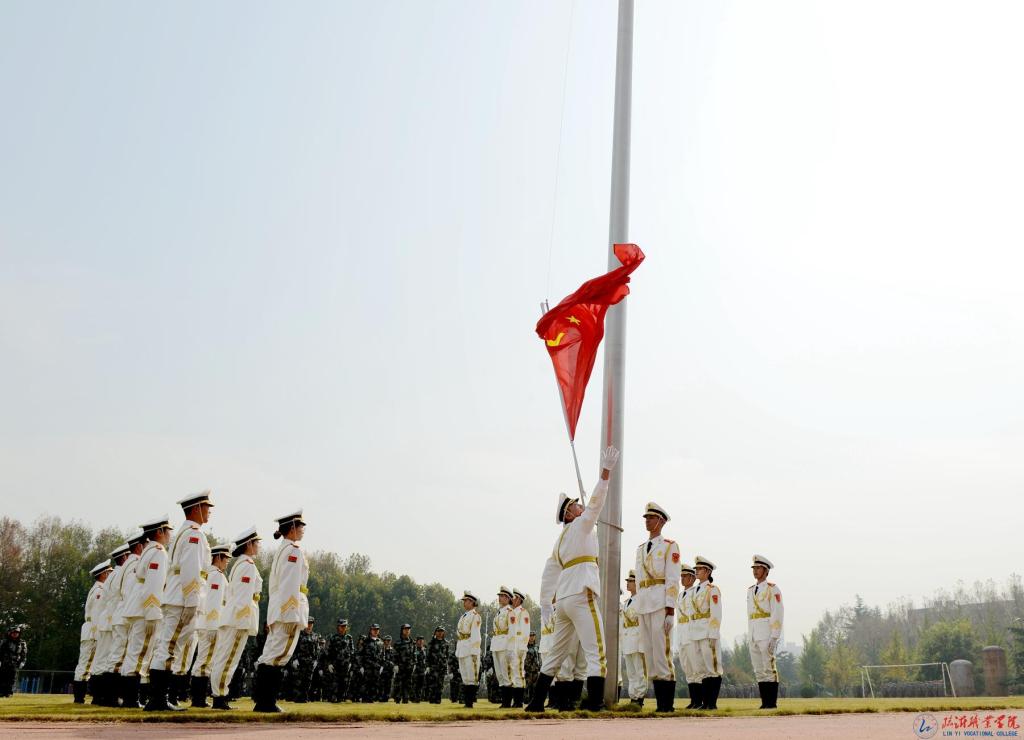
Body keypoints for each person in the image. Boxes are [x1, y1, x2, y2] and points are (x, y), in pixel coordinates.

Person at [525, 445, 620, 713]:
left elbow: (549, 574)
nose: (580, 506)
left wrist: (546, 605)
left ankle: (536, 702)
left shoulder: (560, 540)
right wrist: (605, 474)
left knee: (555, 655)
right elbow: (596, 504)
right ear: (569, 514)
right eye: (576, 505)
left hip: (564, 600)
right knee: (596, 651)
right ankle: (596, 702)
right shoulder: (580, 525)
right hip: (581, 592)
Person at [148, 491, 214, 711]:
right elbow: (191, 569)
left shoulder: (186, 533)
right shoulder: (194, 534)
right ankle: (158, 699)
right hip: (182, 599)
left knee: (169, 647)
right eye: (206, 507)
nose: (209, 511)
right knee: (168, 648)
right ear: (196, 509)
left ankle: (159, 698)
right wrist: (192, 601)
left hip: (179, 597)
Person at [253, 509, 308, 712]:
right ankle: (266, 702)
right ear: (292, 528)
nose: (302, 530)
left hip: (279, 610)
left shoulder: (283, 550)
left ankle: (262, 700)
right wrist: (291, 613)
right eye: (300, 526)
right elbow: (290, 584)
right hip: (287, 611)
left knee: (271, 654)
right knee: (278, 656)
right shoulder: (293, 550)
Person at [633, 501, 681, 712]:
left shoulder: (670, 546)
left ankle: (666, 705)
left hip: (660, 603)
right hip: (644, 603)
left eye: (651, 518)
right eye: (646, 518)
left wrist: (670, 609)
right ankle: (660, 703)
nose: (647, 521)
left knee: (662, 653)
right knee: (650, 654)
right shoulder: (640, 549)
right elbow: (639, 580)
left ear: (661, 521)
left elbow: (672, 578)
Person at [209, 526, 262, 710]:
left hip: (232, 617)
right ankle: (219, 697)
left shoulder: (242, 564)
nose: (258, 546)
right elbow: (243, 596)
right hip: (237, 620)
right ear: (249, 544)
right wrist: (243, 621)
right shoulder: (247, 565)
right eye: (256, 543)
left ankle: (220, 695)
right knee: (228, 659)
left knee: (225, 658)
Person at [121, 519, 171, 709]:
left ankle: (131, 699)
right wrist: (152, 612)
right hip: (145, 609)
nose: (170, 534)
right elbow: (154, 584)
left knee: (134, 653)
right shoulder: (158, 552)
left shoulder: (149, 550)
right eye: (167, 531)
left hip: (138, 607)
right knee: (139, 655)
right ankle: (131, 700)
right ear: (160, 532)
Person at [186, 543, 231, 707]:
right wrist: (213, 625)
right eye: (225, 559)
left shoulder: (210, 575)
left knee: (204, 660)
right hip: (210, 624)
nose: (227, 562)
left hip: (206, 623)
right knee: (205, 661)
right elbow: (213, 602)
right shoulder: (216, 576)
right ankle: (198, 700)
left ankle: (199, 699)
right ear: (218, 557)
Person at [89, 542, 130, 705]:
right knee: (109, 657)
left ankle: (100, 696)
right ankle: (105, 696)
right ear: (125, 557)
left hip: (107, 620)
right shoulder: (120, 573)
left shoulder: (113, 575)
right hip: (112, 619)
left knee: (103, 658)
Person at [72, 561, 112, 703]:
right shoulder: (99, 590)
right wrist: (98, 633)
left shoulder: (98, 589)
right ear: (103, 574)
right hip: (93, 632)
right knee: (87, 665)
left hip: (91, 630)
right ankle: (80, 697)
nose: (110, 575)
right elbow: (96, 613)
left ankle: (84, 696)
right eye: (108, 572)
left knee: (89, 664)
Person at [747, 555, 784, 709]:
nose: (755, 571)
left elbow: (777, 612)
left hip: (766, 633)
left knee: (769, 668)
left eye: (758, 568)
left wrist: (774, 636)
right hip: (753, 633)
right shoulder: (750, 590)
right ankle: (764, 702)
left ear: (766, 571)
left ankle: (771, 703)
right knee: (759, 669)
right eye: (754, 568)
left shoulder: (772, 589)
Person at [690, 556, 722, 710]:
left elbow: (716, 613)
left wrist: (713, 634)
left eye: (699, 569)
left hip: (707, 632)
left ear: (708, 571)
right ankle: (705, 702)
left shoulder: (712, 589)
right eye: (696, 569)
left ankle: (712, 703)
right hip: (695, 631)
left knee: (712, 669)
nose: (696, 571)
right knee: (701, 669)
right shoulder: (694, 590)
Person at [675, 562, 700, 708]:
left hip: (691, 634)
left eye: (685, 576)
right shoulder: (680, 595)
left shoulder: (695, 594)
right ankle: (693, 700)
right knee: (687, 669)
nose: (682, 579)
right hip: (682, 634)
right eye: (681, 576)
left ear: (692, 578)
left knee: (696, 668)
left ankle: (699, 700)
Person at [620, 570, 646, 707]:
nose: (628, 583)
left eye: (630, 581)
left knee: (639, 670)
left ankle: (639, 697)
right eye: (628, 581)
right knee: (631, 672)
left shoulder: (641, 600)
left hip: (637, 638)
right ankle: (633, 696)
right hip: (627, 638)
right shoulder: (626, 602)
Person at [454, 591, 482, 708]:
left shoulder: (475, 616)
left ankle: (470, 702)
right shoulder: (463, 616)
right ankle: (466, 702)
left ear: (471, 602)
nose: (464, 603)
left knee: (471, 677)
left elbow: (475, 635)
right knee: (465, 677)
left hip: (470, 649)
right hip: (462, 648)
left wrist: (475, 651)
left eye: (465, 601)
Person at [490, 586, 513, 707]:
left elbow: (512, 631)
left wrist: (510, 648)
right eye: (499, 596)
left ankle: (507, 702)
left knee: (506, 674)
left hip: (505, 644)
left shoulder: (510, 612)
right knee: (499, 674)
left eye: (502, 596)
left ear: (508, 598)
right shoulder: (499, 612)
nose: (500, 598)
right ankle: (504, 701)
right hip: (496, 643)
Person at [507, 588, 530, 708]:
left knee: (519, 673)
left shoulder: (523, 612)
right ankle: (515, 701)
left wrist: (522, 647)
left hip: (519, 646)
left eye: (514, 597)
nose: (512, 599)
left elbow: (525, 632)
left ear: (519, 599)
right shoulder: (511, 612)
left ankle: (519, 701)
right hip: (512, 646)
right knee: (513, 673)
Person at [290, 617, 320, 702]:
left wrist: (316, 660)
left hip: (310, 662)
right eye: (308, 623)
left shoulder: (315, 636)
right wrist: (294, 659)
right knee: (298, 680)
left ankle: (304, 697)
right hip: (300, 662)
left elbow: (317, 649)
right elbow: (294, 647)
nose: (309, 625)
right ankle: (297, 698)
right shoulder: (299, 635)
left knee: (308, 681)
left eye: (311, 624)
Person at [326, 618, 354, 702]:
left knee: (344, 684)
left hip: (346, 665)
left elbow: (352, 651)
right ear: (338, 627)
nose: (343, 628)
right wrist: (329, 663)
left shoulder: (349, 638)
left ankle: (340, 699)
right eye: (341, 626)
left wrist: (350, 662)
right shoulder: (333, 638)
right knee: (334, 684)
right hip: (336, 665)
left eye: (344, 626)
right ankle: (333, 699)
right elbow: (328, 651)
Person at [0, 625, 28, 698]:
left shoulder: (22, 643)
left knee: (12, 679)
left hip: (15, 663)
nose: (15, 634)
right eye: (14, 632)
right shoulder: (4, 642)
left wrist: (22, 662)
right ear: (10, 633)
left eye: (17, 633)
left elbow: (24, 654)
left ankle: (9, 693)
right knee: (2, 678)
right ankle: (1, 692)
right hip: (4, 663)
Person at [359, 624, 384, 702]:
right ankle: (364, 699)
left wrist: (382, 666)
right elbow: (360, 654)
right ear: (371, 630)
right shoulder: (366, 641)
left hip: (377, 667)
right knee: (366, 684)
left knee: (375, 684)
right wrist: (361, 666)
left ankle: (371, 699)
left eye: (377, 629)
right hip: (367, 667)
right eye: (374, 629)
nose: (376, 631)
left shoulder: (381, 642)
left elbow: (383, 655)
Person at [424, 628, 448, 704]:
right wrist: (427, 666)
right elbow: (427, 655)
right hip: (433, 667)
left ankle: (438, 700)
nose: (440, 633)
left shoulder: (446, 643)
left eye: (442, 631)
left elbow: (447, 656)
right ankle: (432, 700)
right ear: (435, 632)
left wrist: (446, 668)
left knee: (440, 685)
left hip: (442, 667)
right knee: (432, 684)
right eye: (438, 631)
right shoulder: (431, 643)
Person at [393, 624, 415, 703]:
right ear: (402, 630)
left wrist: (414, 664)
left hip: (409, 667)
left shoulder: (412, 642)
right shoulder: (398, 642)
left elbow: (414, 654)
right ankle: (397, 699)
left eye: (408, 629)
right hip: (400, 667)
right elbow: (394, 654)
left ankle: (406, 699)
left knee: (408, 683)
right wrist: (395, 665)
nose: (407, 630)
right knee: (398, 683)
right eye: (405, 629)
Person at [523, 631, 540, 705]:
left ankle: (533, 700)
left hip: (535, 669)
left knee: (534, 686)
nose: (532, 637)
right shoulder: (525, 646)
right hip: (528, 669)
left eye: (533, 636)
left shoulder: (537, 646)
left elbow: (539, 657)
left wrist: (539, 666)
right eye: (530, 636)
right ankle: (526, 699)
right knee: (528, 685)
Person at [379, 635, 395, 701]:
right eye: (387, 640)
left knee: (388, 684)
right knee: (381, 684)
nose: (388, 642)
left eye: (389, 640)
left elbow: (394, 659)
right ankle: (380, 697)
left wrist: (392, 664)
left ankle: (386, 697)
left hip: (390, 670)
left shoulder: (392, 650)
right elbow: (379, 658)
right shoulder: (381, 650)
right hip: (382, 670)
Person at [412, 635, 426, 702]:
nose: (421, 642)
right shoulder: (414, 649)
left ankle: (419, 698)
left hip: (423, 670)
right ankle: (414, 698)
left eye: (422, 641)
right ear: (417, 641)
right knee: (415, 684)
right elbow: (414, 656)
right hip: (416, 669)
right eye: (419, 641)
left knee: (421, 684)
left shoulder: (425, 649)